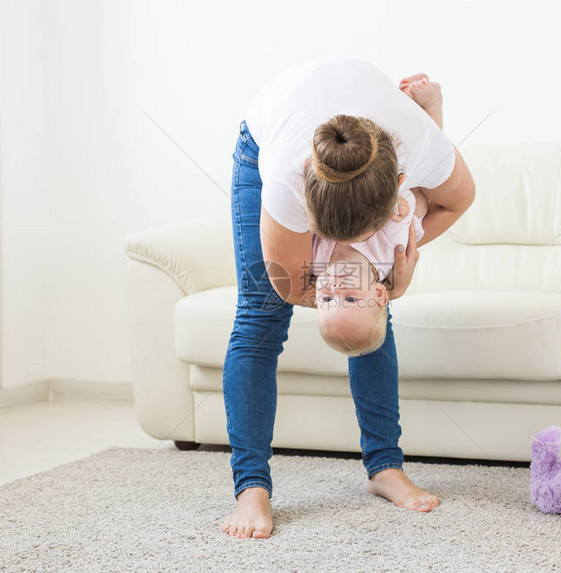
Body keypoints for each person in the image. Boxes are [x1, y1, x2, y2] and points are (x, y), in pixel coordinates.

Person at [222, 56, 476, 539]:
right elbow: (290, 285)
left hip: (385, 132)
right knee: (261, 316)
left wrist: (398, 269)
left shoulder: (421, 151)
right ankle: (251, 487)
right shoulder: (285, 177)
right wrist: (353, 295)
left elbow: (454, 201)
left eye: (370, 234)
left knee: (369, 318)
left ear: (398, 187)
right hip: (280, 133)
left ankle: (385, 467)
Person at [312, 186, 429, 356]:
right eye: (350, 299)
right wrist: (395, 205)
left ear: (315, 300)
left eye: (327, 299)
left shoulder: (315, 261)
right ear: (379, 293)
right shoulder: (388, 252)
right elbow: (407, 201)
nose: (336, 288)